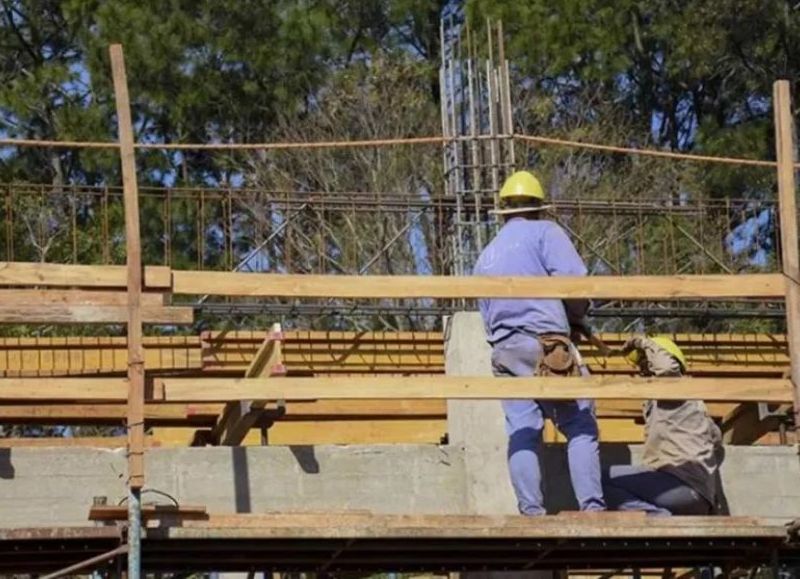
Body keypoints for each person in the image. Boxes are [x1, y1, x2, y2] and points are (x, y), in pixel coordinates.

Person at [473, 170, 606, 516]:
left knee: (522, 428)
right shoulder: (546, 232)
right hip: (545, 343)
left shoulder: (486, 255)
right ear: (538, 208)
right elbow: (575, 284)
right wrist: (576, 319)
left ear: (504, 211)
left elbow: (486, 314)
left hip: (503, 349)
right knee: (579, 421)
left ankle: (531, 512)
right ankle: (592, 509)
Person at [604, 336, 722, 516]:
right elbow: (718, 447)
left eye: (648, 367)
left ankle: (655, 516)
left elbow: (666, 369)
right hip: (700, 500)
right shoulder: (698, 409)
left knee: (599, 479)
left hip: (675, 488)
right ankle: (658, 513)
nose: (645, 374)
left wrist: (642, 342)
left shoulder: (674, 391)